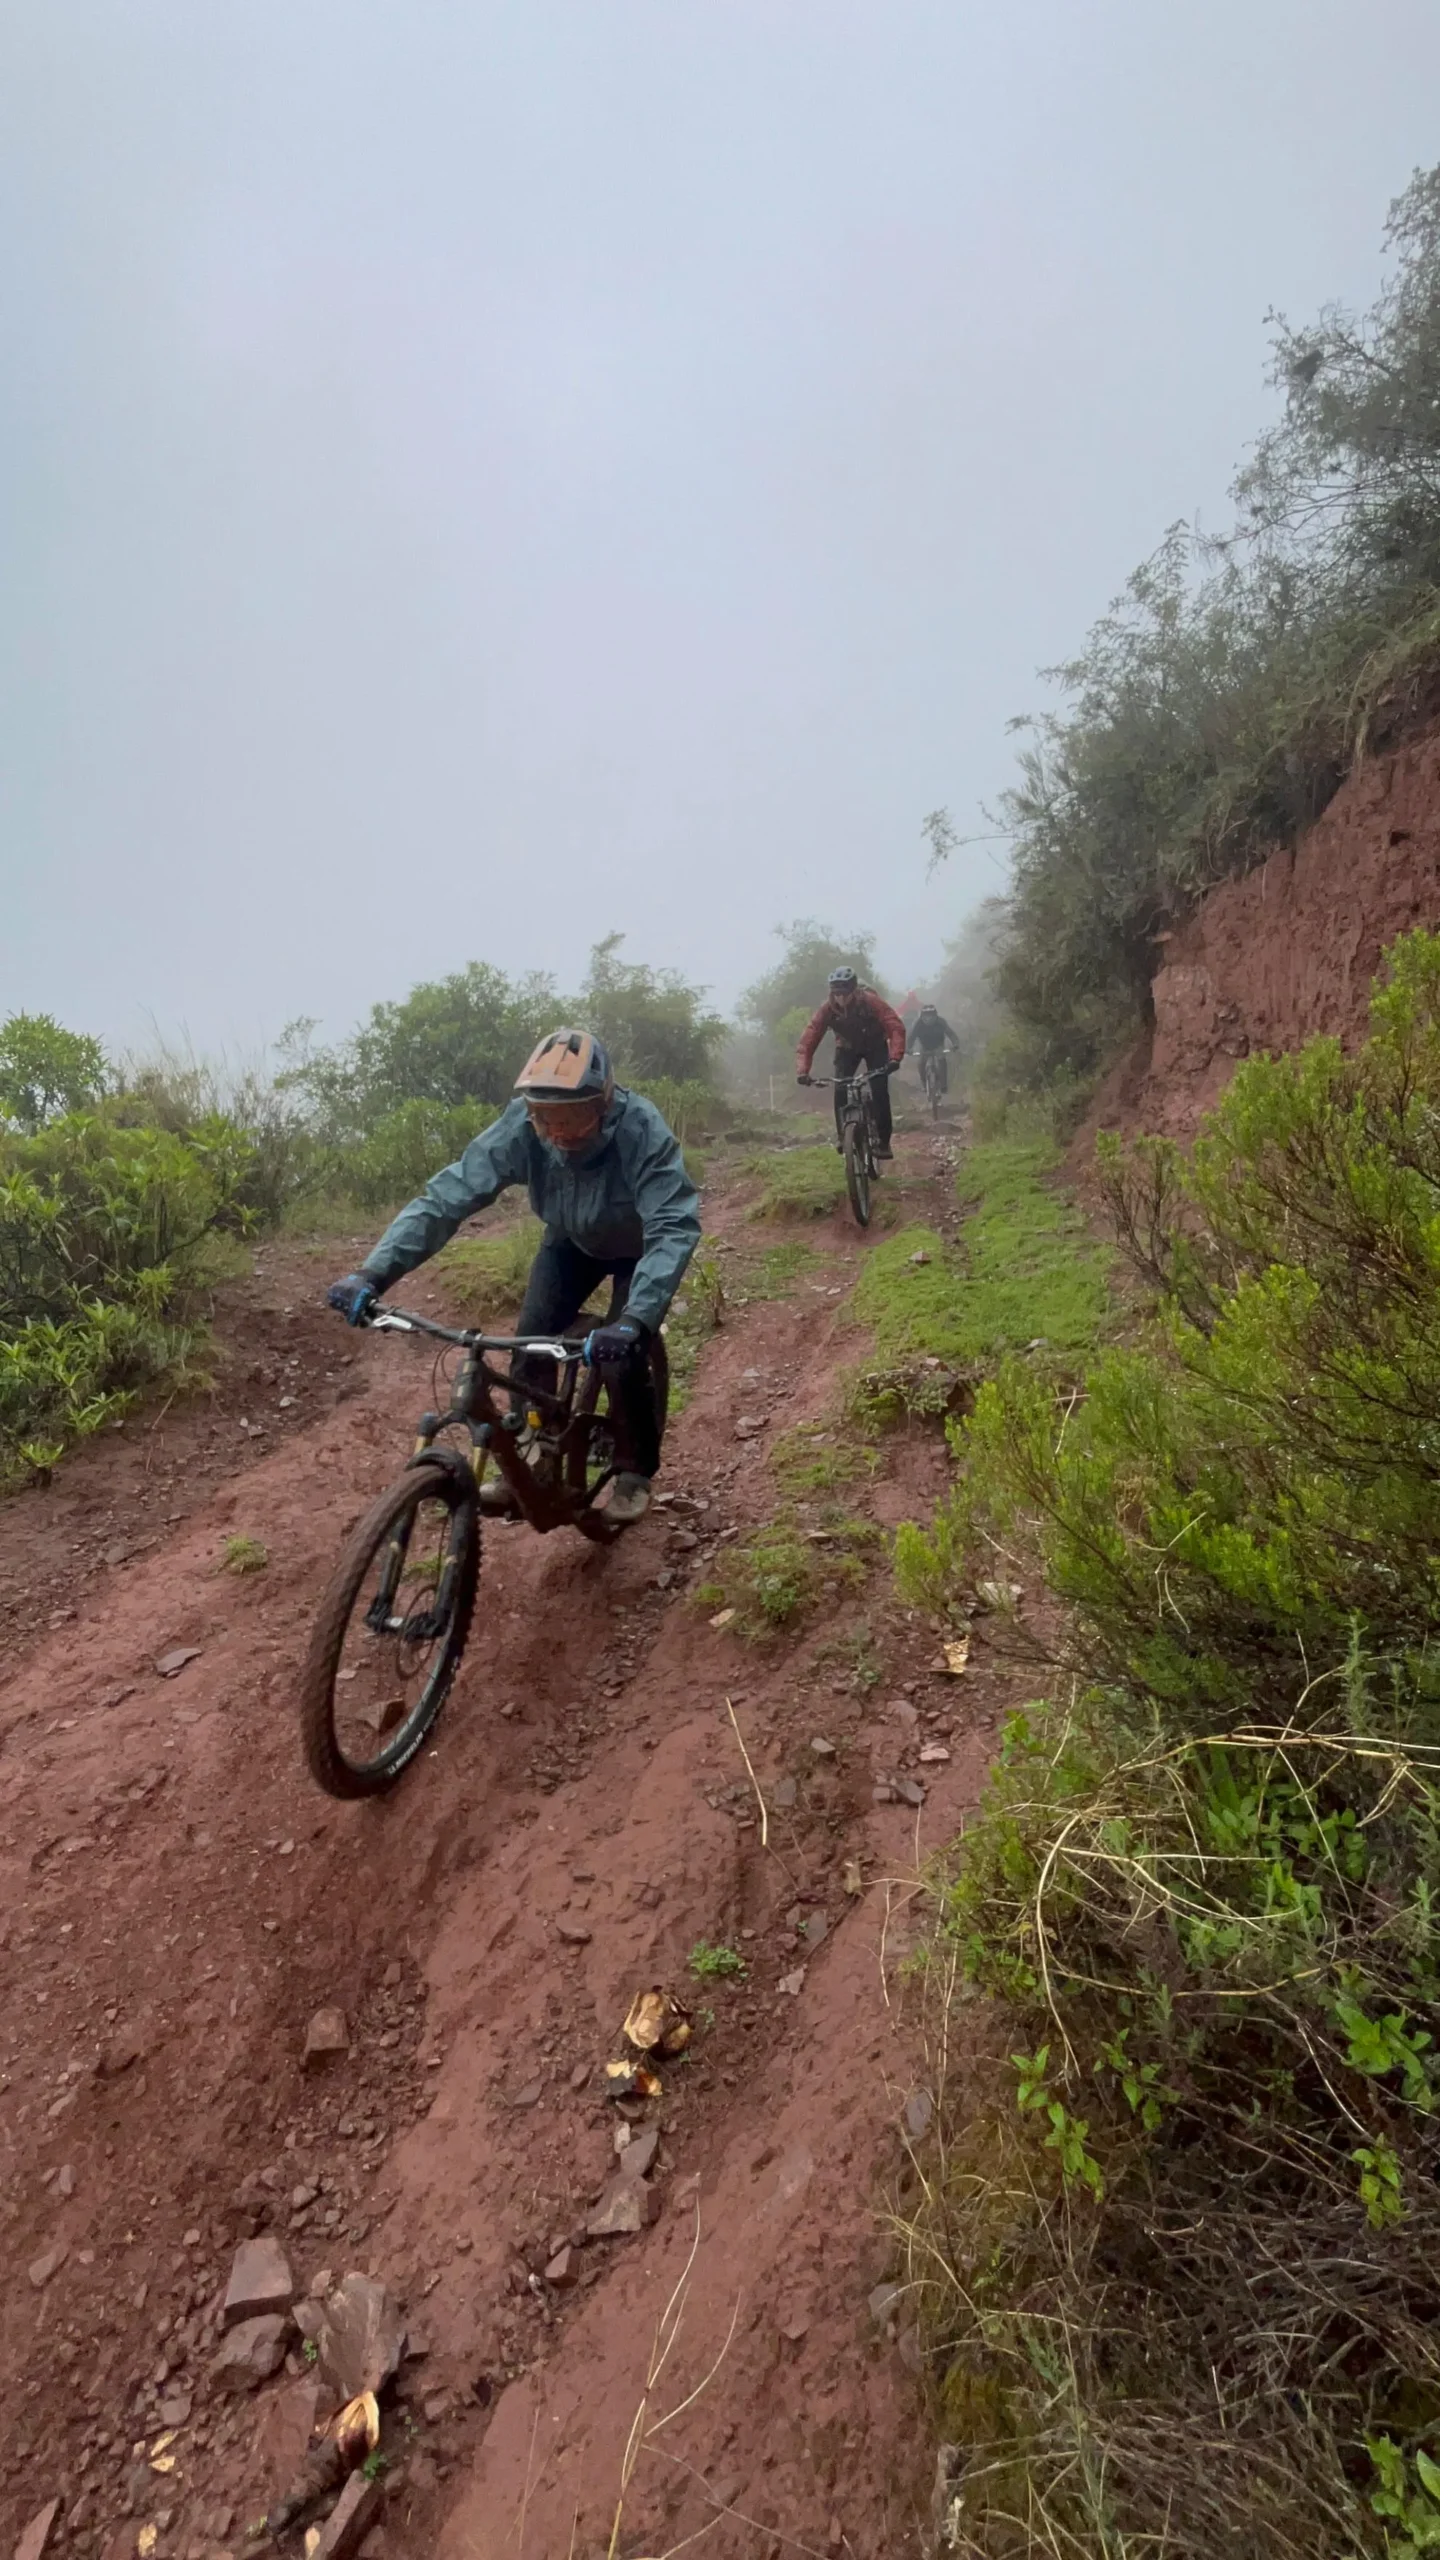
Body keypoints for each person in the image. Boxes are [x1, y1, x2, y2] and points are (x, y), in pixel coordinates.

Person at [325, 1029, 700, 1525]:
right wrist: (375, 1271)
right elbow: (447, 1197)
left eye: (572, 1116)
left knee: (623, 1358)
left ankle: (633, 1471)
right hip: (569, 1240)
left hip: (641, 1248)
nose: (558, 1131)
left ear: (604, 1103)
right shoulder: (524, 1127)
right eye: (544, 1118)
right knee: (529, 1345)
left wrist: (634, 1322)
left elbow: (673, 1224)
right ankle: (534, 1457)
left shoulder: (641, 1130)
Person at [795, 966, 907, 1158]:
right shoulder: (827, 1010)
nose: (841, 998)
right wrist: (803, 1071)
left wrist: (895, 1058)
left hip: (875, 1045)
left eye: (845, 992)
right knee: (840, 1089)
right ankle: (842, 1137)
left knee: (879, 1088)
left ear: (854, 990)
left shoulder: (871, 1002)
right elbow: (808, 1040)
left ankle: (884, 1141)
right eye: (836, 993)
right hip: (847, 1048)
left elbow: (895, 1026)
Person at [907, 1001, 960, 1094]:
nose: (929, 1017)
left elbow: (951, 1034)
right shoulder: (918, 1024)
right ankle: (924, 1083)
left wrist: (955, 1044)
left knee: (942, 1061)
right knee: (921, 1063)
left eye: (931, 1015)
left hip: (938, 1045)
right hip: (924, 1046)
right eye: (926, 1015)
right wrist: (908, 1048)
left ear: (935, 1015)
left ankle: (943, 1085)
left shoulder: (941, 1022)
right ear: (922, 1015)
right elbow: (911, 1037)